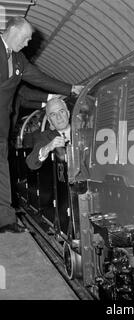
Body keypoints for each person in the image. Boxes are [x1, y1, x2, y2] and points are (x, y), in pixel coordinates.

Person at [0, 16, 84, 233]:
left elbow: (40, 78)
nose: (28, 43)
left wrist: (71, 89)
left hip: (1, 127)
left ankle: (6, 221)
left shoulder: (18, 60)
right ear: (14, 31)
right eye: (26, 38)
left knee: (2, 170)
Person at [26, 98, 71, 170]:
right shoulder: (45, 137)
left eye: (61, 111)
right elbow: (31, 163)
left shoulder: (84, 130)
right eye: (53, 114)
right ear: (50, 121)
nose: (59, 117)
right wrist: (47, 148)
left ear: (68, 114)